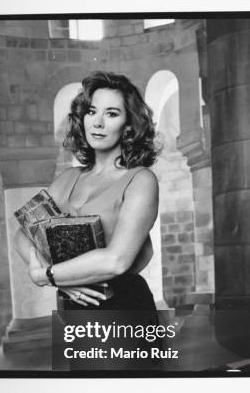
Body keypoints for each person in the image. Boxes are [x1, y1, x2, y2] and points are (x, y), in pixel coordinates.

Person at [15, 70, 159, 314]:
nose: (98, 122)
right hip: (74, 307)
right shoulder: (68, 179)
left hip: (124, 308)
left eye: (111, 114)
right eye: (92, 111)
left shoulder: (140, 180)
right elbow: (24, 235)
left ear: (127, 126)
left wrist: (48, 275)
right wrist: (63, 280)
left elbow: (116, 261)